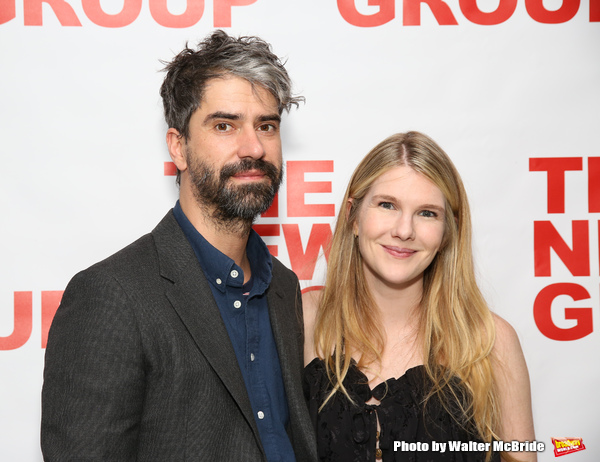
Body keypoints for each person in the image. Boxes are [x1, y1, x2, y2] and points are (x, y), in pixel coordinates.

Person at [41, 30, 317, 462]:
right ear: (179, 147)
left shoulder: (281, 287)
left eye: (267, 125)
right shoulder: (111, 297)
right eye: (225, 125)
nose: (254, 147)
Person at [302, 132, 536, 462]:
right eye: (387, 205)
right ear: (353, 217)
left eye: (427, 213)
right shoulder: (304, 322)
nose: (404, 230)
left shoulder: (491, 342)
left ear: (447, 231)